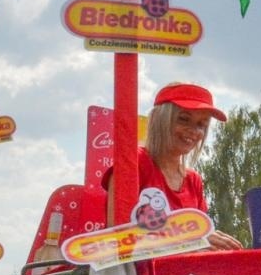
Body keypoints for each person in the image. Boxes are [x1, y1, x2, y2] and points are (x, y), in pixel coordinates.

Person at [104, 82, 244, 251]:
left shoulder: (193, 180)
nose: (194, 131)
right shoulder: (135, 162)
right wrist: (191, 241)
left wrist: (213, 244)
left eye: (201, 124)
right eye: (183, 119)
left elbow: (201, 239)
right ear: (159, 120)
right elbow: (118, 238)